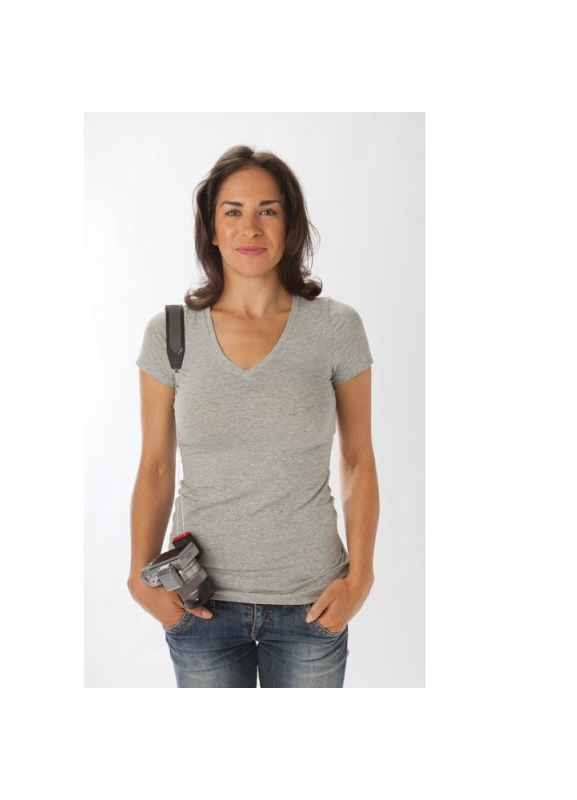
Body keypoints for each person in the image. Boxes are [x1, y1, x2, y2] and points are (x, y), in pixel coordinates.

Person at [129, 145, 379, 688]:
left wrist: (360, 578)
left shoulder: (335, 328)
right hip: (199, 608)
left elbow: (358, 458)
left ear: (290, 225)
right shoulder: (170, 334)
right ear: (212, 229)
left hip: (313, 604)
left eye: (268, 210)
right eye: (233, 212)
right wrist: (138, 577)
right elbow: (155, 466)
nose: (251, 228)